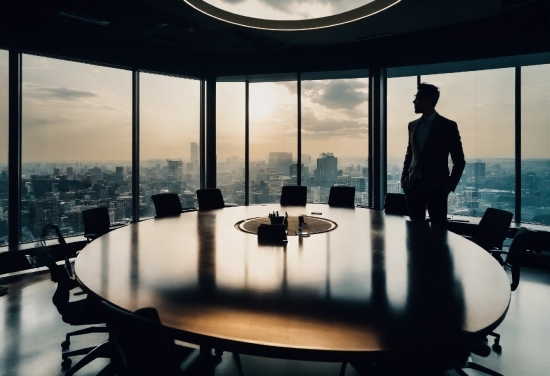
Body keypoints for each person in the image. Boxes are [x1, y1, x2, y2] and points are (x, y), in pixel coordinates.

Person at [400, 83, 465, 226]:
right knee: (414, 233)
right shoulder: (412, 125)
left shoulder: (447, 126)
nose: (414, 101)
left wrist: (447, 187)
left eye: (417, 97)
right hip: (413, 187)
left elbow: (459, 161)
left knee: (439, 233)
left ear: (428, 100)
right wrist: (404, 179)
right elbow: (410, 154)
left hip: (436, 189)